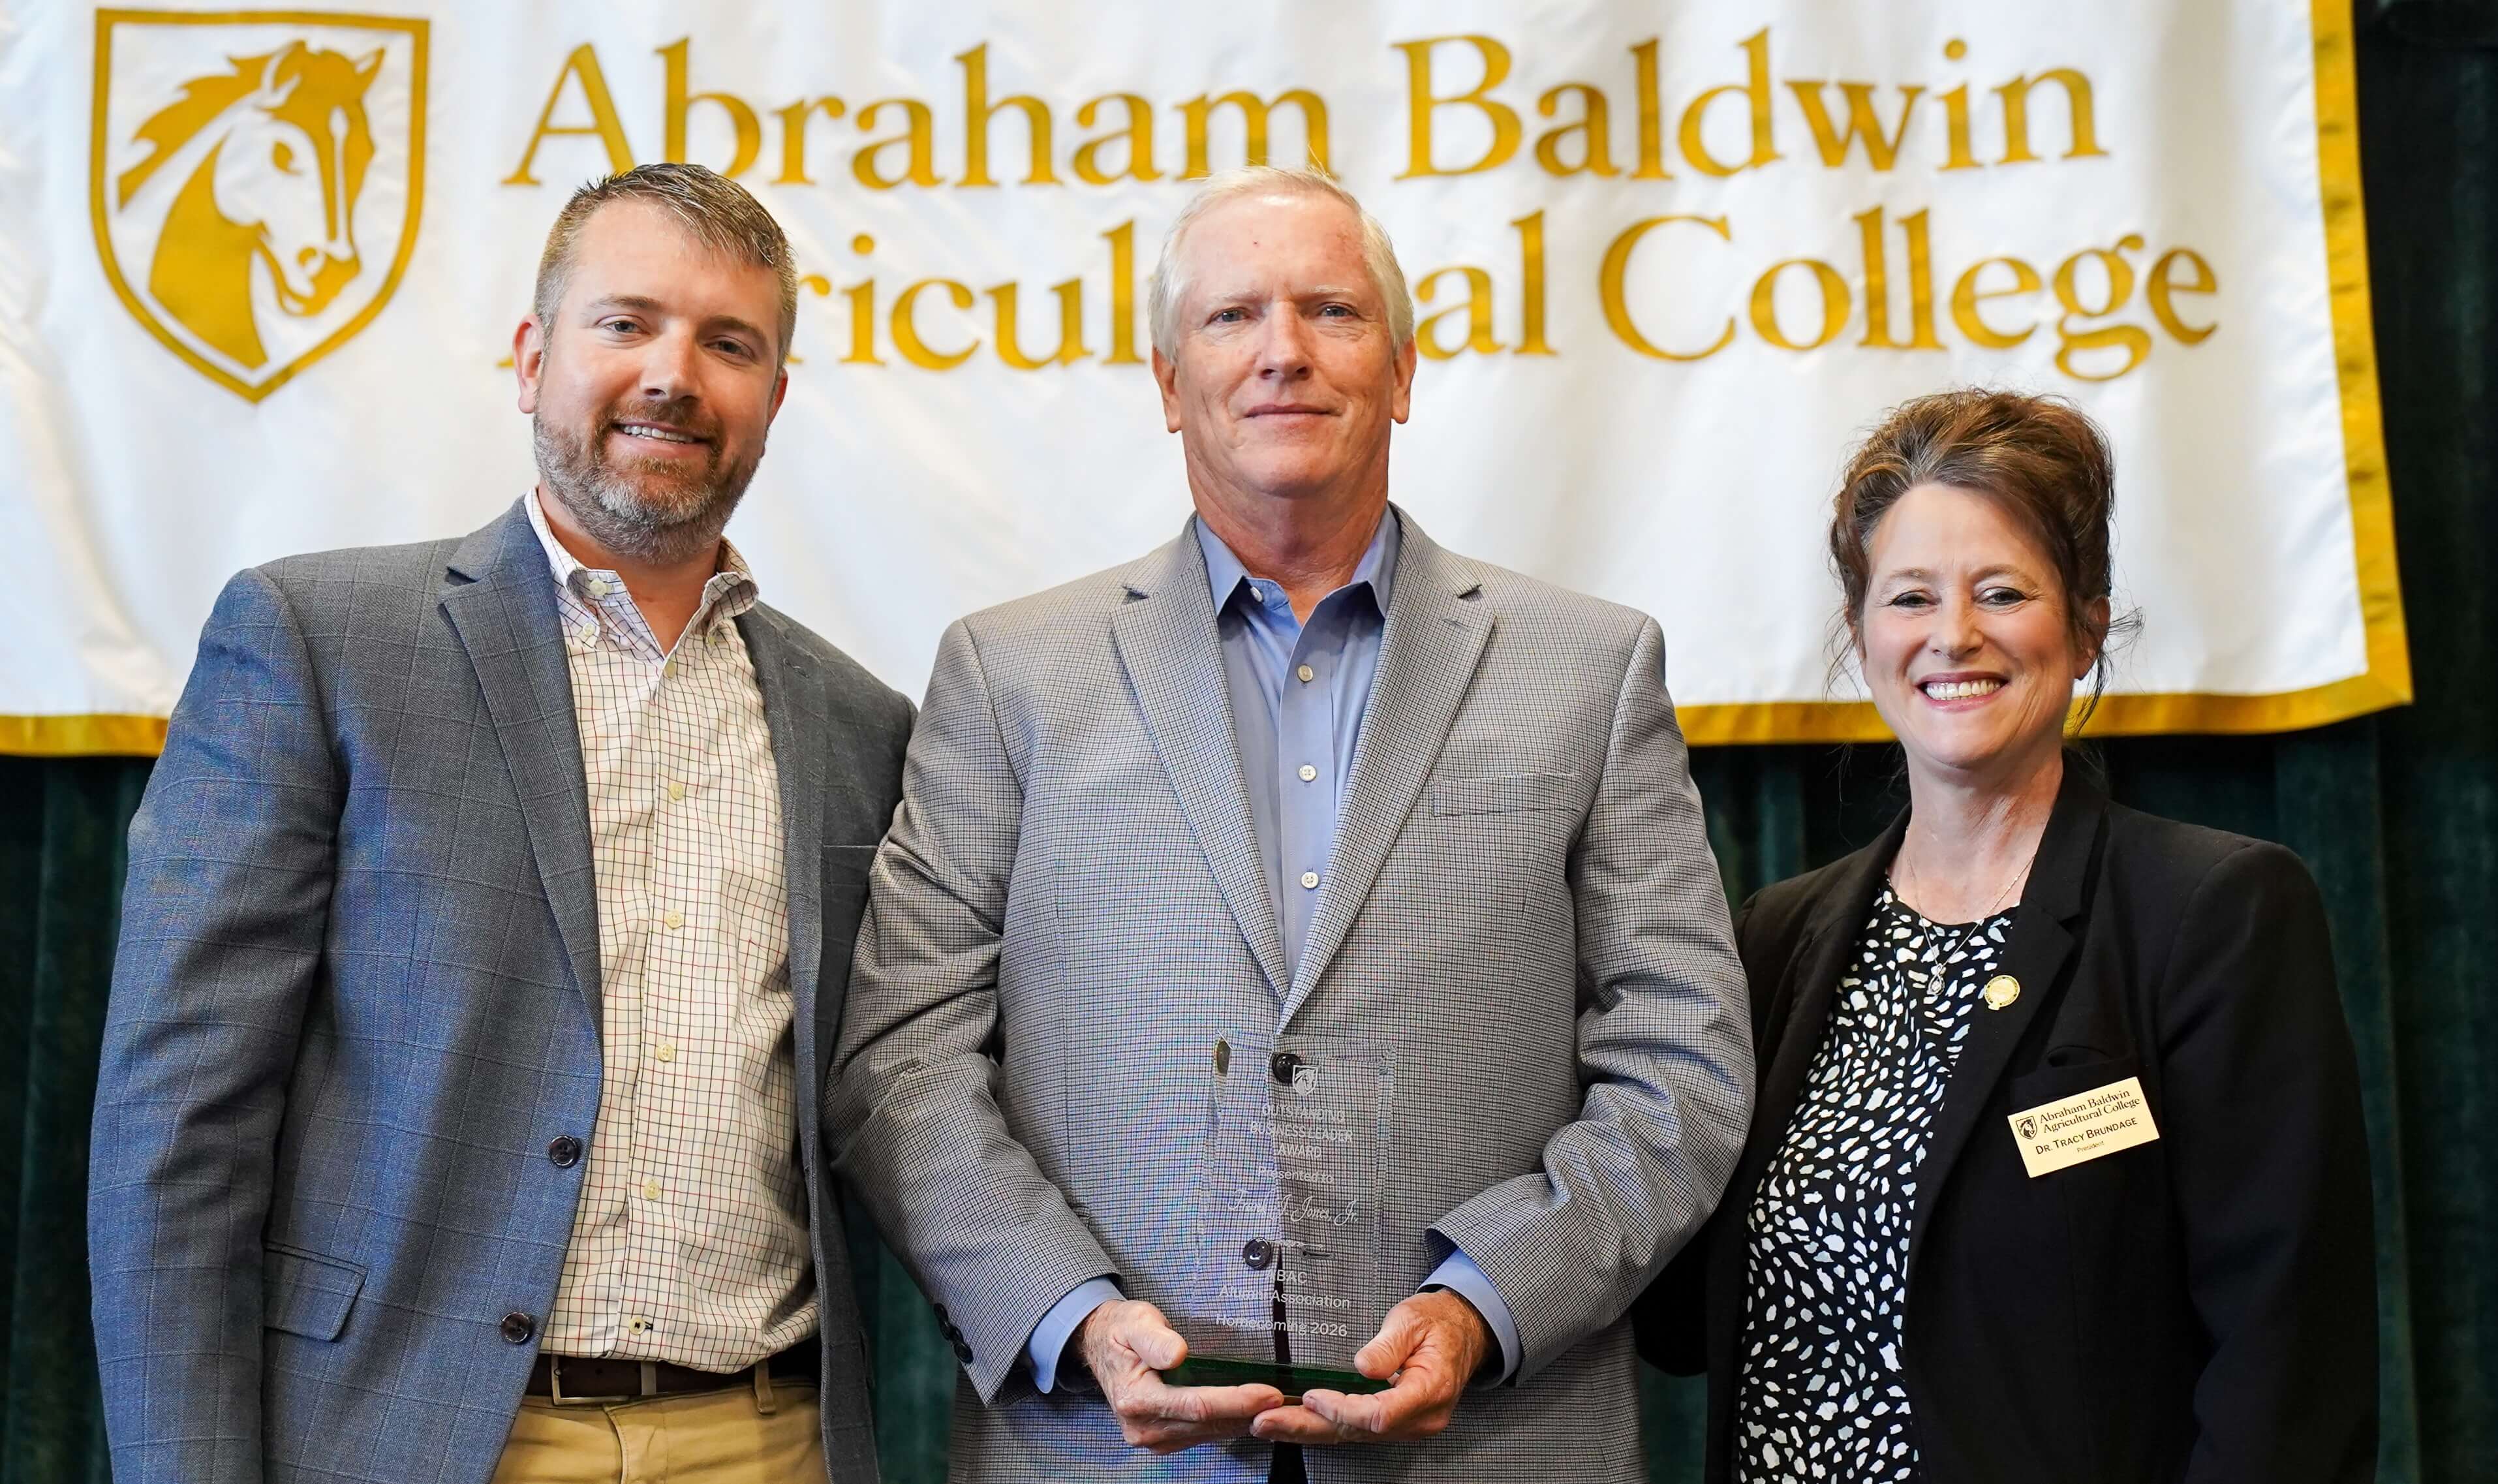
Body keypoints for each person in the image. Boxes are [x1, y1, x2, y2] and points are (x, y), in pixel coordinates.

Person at [828, 165, 1753, 1483]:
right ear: (1166, 385)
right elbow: (904, 1056)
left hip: (1490, 1444)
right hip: (1101, 1452)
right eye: (1231, 318)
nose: (1283, 354)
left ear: (1404, 368)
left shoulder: (1586, 670)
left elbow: (1684, 1064)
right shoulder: (1011, 676)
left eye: (1331, 310)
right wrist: (1071, 1316)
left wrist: (1486, 1306)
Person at [89, 162, 913, 1484]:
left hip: (764, 1440)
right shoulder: (322, 643)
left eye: (729, 343)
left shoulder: (863, 728)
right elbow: (177, 1128)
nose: (672, 374)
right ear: (532, 359)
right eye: (626, 322)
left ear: (774, 399)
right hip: (408, 1438)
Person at [1634, 388, 2377, 1483]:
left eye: (2002, 592)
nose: (1954, 636)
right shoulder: (1778, 939)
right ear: (1861, 636)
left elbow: (2289, 1372)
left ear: (2084, 626)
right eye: (1911, 597)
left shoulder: (2214, 913)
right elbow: (1678, 1325)